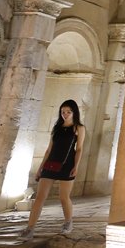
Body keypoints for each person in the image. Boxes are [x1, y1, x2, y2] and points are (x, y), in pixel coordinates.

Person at [20, 99, 86, 240]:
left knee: (63, 197)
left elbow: (79, 149)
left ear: (74, 112)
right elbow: (49, 149)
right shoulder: (56, 128)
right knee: (40, 197)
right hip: (51, 164)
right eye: (63, 112)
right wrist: (40, 167)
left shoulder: (78, 128)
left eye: (68, 112)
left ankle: (68, 222)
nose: (65, 114)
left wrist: (76, 166)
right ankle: (30, 228)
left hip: (67, 165)